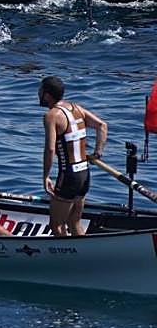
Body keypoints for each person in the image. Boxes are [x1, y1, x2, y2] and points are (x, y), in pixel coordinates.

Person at [39, 75, 108, 237]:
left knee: (56, 225)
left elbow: (50, 149)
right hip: (84, 174)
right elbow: (102, 126)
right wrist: (97, 153)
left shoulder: (51, 116)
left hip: (69, 176)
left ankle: (65, 259)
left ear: (47, 95)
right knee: (74, 222)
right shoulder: (76, 108)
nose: (39, 93)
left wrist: (46, 176)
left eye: (40, 90)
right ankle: (83, 257)